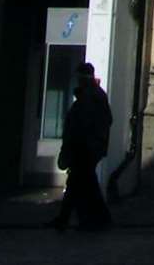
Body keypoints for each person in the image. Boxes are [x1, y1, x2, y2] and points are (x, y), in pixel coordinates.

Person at [48, 62, 112, 232]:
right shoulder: (93, 95)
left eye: (78, 77)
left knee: (81, 185)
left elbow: (82, 126)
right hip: (87, 148)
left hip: (85, 149)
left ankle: (86, 219)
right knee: (82, 185)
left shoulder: (91, 97)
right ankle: (74, 218)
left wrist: (75, 147)